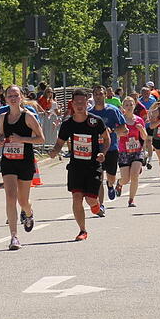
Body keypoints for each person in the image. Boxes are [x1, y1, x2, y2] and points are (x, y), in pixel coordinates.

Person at [48, 89, 109, 240]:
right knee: (76, 197)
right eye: (77, 103)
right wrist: (54, 151)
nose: (80, 105)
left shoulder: (95, 121)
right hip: (76, 166)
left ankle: (96, 206)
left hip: (93, 165)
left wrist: (103, 153)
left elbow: (107, 139)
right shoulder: (68, 124)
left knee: (90, 199)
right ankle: (82, 230)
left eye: (83, 102)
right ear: (72, 104)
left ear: (87, 103)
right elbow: (59, 143)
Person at [0, 85, 44, 250]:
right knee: (10, 196)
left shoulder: (28, 117)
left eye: (16, 95)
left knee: (22, 200)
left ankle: (28, 212)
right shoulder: (2, 117)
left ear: (21, 97)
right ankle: (14, 237)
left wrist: (22, 138)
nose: (13, 98)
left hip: (25, 161)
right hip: (8, 160)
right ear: (5, 98)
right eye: (10, 96)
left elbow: (41, 138)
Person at [89, 85, 126, 209]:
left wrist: (113, 130)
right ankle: (101, 205)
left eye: (100, 94)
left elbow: (124, 128)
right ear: (93, 96)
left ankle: (110, 185)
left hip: (111, 148)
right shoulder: (89, 113)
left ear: (105, 95)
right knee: (98, 179)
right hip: (96, 149)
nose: (98, 97)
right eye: (96, 94)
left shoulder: (112, 110)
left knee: (111, 177)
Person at [117, 96, 146, 207]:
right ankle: (119, 184)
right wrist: (122, 133)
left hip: (137, 151)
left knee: (134, 175)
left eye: (131, 105)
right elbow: (116, 134)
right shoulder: (121, 120)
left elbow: (144, 137)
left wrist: (141, 129)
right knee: (125, 179)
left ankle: (131, 199)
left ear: (134, 106)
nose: (129, 107)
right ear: (123, 107)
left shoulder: (139, 120)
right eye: (127, 105)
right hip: (124, 151)